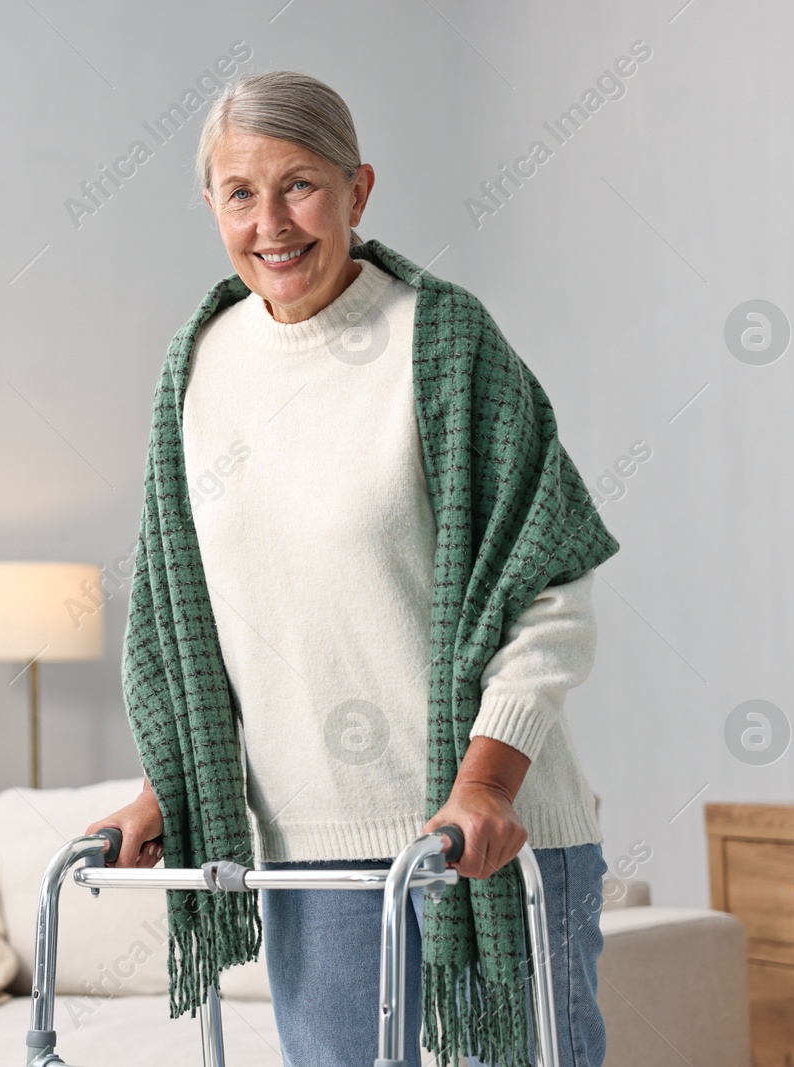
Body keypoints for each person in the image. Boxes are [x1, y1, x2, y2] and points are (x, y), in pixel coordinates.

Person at [88, 70, 617, 1067]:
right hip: (312, 859)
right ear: (210, 206)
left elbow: (547, 585)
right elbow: (206, 622)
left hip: (484, 839)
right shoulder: (198, 367)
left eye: (300, 185)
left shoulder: (442, 341)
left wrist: (486, 784)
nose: (271, 222)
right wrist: (170, 795)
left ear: (357, 190)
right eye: (240, 193)